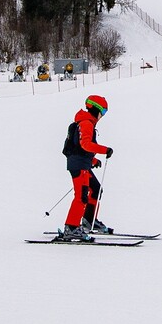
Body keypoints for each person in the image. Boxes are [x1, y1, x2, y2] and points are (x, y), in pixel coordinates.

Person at [59, 94, 115, 240]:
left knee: (96, 189)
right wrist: (105, 150)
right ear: (96, 109)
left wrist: (93, 160)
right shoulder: (86, 123)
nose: (102, 116)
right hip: (79, 165)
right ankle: (71, 227)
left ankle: (89, 221)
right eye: (103, 112)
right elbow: (85, 145)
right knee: (81, 196)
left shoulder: (86, 122)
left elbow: (80, 148)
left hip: (82, 163)